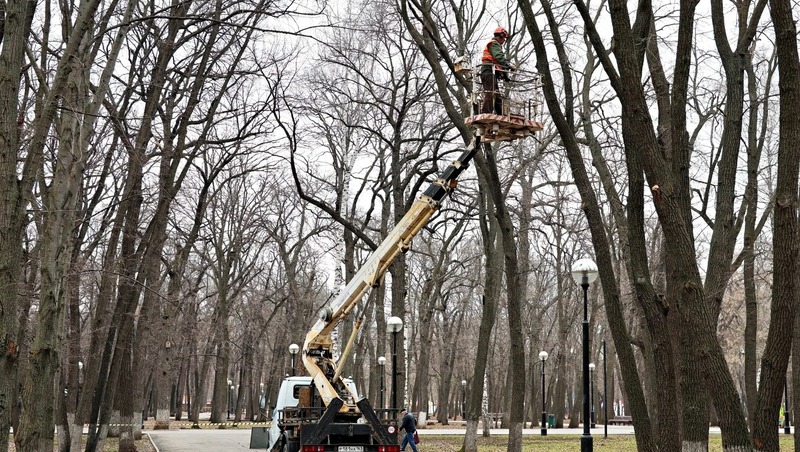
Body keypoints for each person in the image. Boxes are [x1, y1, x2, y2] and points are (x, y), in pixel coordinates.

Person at [480, 27, 513, 115]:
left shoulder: (493, 45)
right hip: (488, 70)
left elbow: (497, 65)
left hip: (490, 70)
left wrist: (505, 76)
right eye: (504, 38)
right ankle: (486, 113)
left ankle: (501, 113)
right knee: (490, 92)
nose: (504, 41)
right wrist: (507, 65)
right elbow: (498, 57)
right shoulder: (494, 44)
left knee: (496, 94)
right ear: (501, 36)